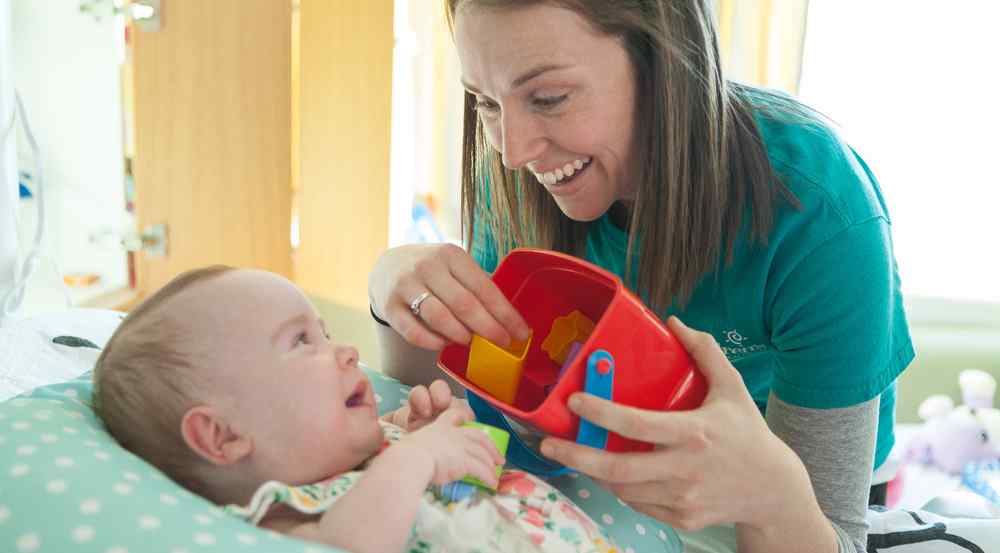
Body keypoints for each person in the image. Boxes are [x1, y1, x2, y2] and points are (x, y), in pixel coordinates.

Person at [367, 1, 914, 552]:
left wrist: (771, 493)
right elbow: (446, 398)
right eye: (485, 101)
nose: (512, 152)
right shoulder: (518, 178)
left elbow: (832, 529)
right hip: (596, 480)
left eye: (549, 98)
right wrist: (390, 289)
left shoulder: (820, 214)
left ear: (664, 62)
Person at [93, 266, 622, 553]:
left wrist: (437, 442)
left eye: (324, 332)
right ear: (222, 436)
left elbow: (471, 515)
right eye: (302, 341)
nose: (345, 351)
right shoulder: (286, 514)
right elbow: (351, 543)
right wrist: (418, 459)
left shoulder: (373, 457)